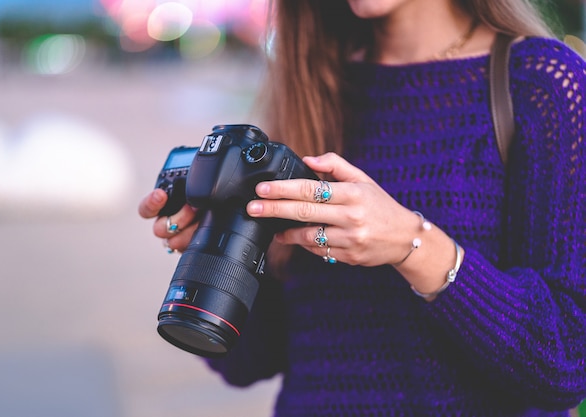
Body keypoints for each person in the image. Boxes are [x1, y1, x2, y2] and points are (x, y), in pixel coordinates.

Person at [139, 0, 586, 415]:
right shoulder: (312, 80)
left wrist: (414, 246)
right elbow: (251, 362)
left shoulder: (541, 83)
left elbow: (566, 361)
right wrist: (213, 247)